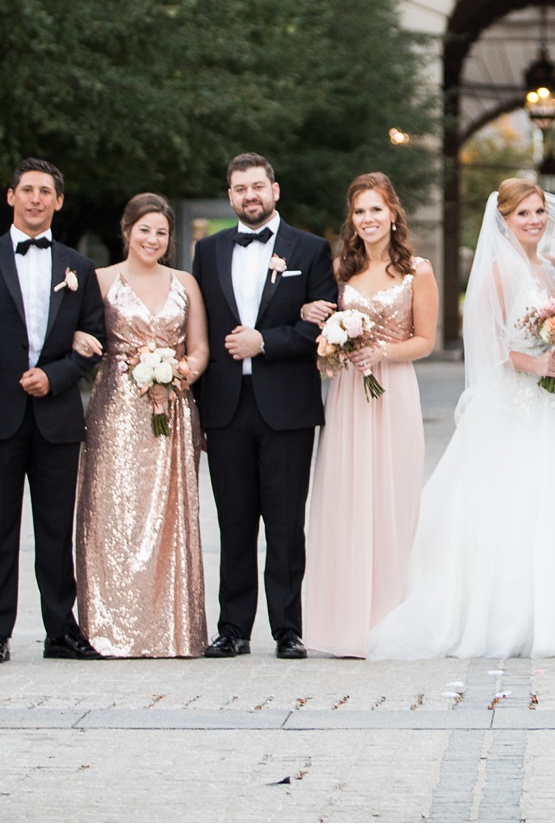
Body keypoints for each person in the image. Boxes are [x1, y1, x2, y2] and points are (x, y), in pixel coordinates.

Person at [369, 180, 555, 659]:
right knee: (510, 503)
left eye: (540, 211)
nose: (535, 220)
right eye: (523, 214)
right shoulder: (500, 271)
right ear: (504, 220)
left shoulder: (554, 268)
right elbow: (487, 342)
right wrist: (535, 363)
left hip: (554, 402)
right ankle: (506, 618)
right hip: (514, 400)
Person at [0, 158, 107, 665]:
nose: (36, 199)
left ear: (58, 201)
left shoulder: (79, 268)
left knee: (57, 530)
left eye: (46, 192)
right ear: (11, 196)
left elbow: (94, 340)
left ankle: (60, 629)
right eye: (28, 190)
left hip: (57, 417)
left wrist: (56, 376)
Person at [191, 153, 337, 660]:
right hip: (225, 406)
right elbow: (200, 331)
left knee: (284, 523)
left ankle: (288, 628)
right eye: (239, 188)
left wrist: (265, 342)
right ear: (230, 196)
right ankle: (232, 628)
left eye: (258, 186)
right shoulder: (206, 252)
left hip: (287, 407)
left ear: (275, 190)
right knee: (233, 523)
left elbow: (321, 326)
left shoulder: (312, 249)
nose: (249, 196)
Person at [298, 173, 438, 658]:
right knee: (348, 497)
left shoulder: (418, 270)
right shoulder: (341, 270)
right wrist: (325, 333)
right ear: (352, 220)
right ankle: (345, 623)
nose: (368, 219)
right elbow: (321, 323)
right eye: (360, 212)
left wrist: (382, 353)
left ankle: (389, 618)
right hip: (349, 396)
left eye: (376, 209)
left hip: (393, 391)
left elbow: (425, 340)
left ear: (393, 213)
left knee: (391, 498)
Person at [72, 194, 210, 658]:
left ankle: (170, 628)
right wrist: (76, 335)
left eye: (162, 232)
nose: (152, 239)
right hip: (115, 410)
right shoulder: (100, 280)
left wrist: (178, 374)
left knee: (170, 513)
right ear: (127, 230)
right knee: (112, 512)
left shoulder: (185, 282)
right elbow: (78, 331)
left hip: (171, 408)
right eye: (144, 229)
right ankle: (110, 626)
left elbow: (200, 348)